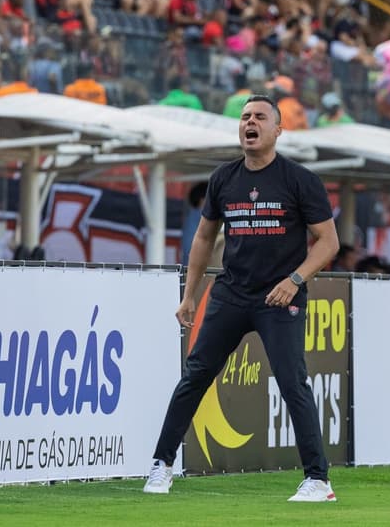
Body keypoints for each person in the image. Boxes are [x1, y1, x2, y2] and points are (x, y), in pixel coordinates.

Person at [144, 95, 339, 502]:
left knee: (292, 383)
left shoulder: (300, 180)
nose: (250, 123)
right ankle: (160, 466)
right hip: (231, 293)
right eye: (245, 117)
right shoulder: (223, 179)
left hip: (278, 296)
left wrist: (296, 279)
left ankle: (318, 480)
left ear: (277, 131)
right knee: (195, 375)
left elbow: (328, 242)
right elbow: (203, 237)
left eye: (260, 117)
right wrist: (189, 295)